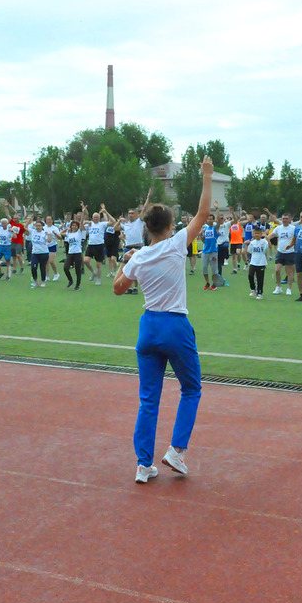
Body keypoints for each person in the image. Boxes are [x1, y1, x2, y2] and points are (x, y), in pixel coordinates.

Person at [113, 155, 213, 484]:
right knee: (191, 388)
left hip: (148, 326)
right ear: (169, 227)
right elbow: (202, 214)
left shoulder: (139, 256)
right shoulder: (175, 244)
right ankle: (176, 451)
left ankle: (144, 465)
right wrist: (207, 176)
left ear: (146, 229)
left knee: (148, 398)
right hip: (174, 324)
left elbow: (117, 289)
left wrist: (125, 260)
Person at [270, 213, 297, 295]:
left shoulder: (293, 228)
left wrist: (291, 245)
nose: (285, 220)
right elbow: (272, 235)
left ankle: (289, 288)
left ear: (289, 220)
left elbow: (296, 239)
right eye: (283, 218)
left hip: (290, 252)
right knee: (277, 270)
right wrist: (264, 237)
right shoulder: (278, 228)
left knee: (290, 272)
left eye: (286, 218)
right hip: (280, 252)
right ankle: (279, 287)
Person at [199, 213, 221, 290]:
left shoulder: (215, 228)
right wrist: (201, 236)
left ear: (213, 220)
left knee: (214, 269)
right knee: (204, 268)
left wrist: (217, 209)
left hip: (213, 251)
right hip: (205, 251)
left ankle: (214, 284)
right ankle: (207, 282)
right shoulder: (205, 229)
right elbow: (204, 241)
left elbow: (219, 221)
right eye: (208, 219)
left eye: (211, 219)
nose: (209, 220)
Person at [246, 227, 269, 299]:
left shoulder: (264, 242)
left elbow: (266, 250)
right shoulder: (252, 242)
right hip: (253, 262)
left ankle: (260, 293)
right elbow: (249, 251)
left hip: (261, 262)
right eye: (255, 233)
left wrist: (267, 238)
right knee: (250, 275)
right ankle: (253, 289)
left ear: (261, 234)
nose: (257, 235)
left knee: (260, 278)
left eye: (258, 233)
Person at [63, 220, 85, 289]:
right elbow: (61, 233)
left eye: (75, 225)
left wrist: (83, 213)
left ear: (77, 227)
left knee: (77, 270)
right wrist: (66, 229)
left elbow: (81, 223)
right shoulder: (69, 233)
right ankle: (71, 281)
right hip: (70, 253)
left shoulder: (79, 232)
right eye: (73, 225)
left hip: (77, 253)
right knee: (66, 267)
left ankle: (77, 286)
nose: (74, 227)